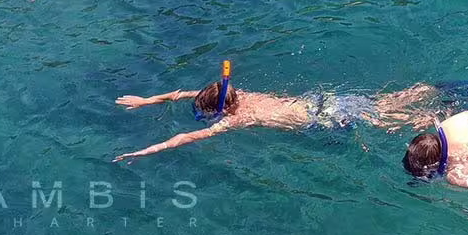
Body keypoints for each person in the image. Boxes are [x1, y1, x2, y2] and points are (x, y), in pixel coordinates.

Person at [112, 70, 445, 163]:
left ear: (222, 111)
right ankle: (420, 91)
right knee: (381, 105)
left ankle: (427, 115)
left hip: (323, 120)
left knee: (383, 120)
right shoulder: (241, 97)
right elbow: (182, 94)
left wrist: (143, 151)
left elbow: (185, 138)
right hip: (322, 102)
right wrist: (148, 100)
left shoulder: (236, 120)